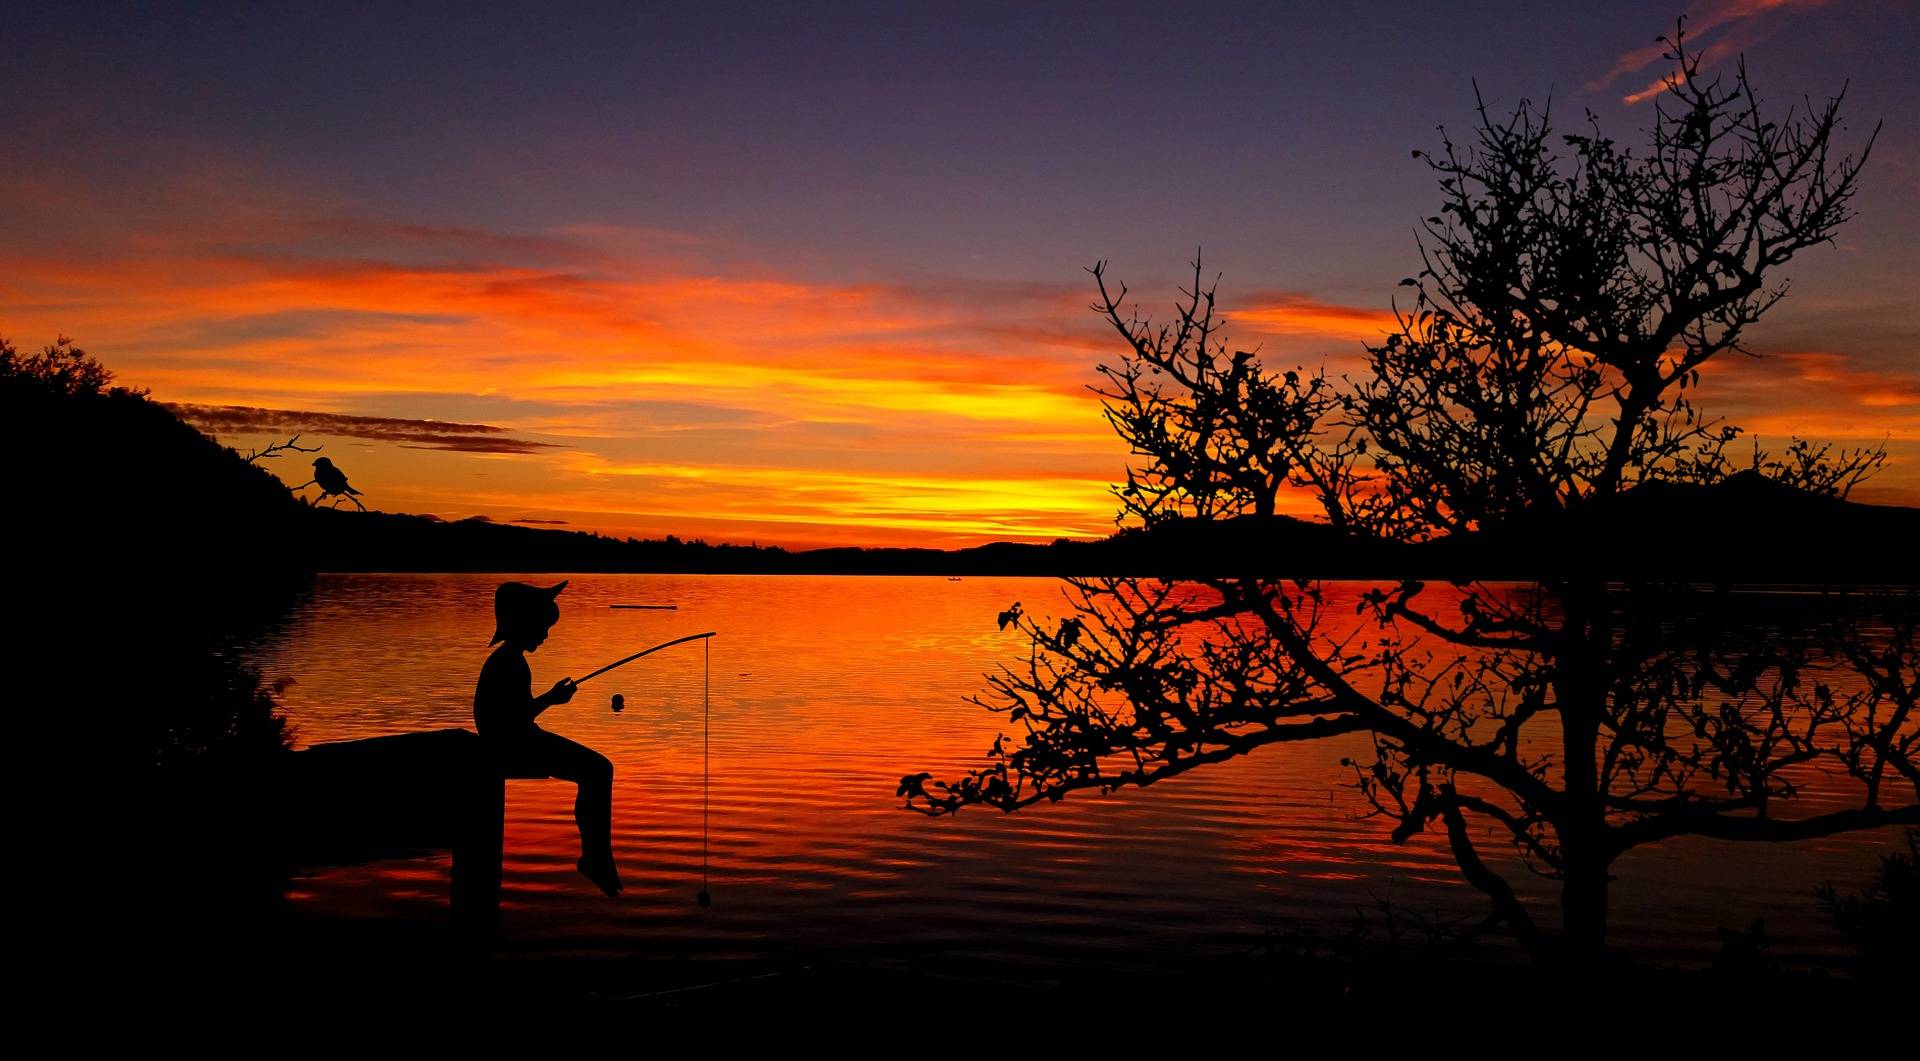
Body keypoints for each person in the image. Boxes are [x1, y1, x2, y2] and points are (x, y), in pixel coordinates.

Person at [474, 580, 622, 897]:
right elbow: (513, 718)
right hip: (513, 745)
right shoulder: (508, 663)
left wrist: (548, 699)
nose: (545, 634)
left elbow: (515, 713)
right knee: (598, 770)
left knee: (596, 770)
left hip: (517, 739)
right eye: (542, 626)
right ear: (524, 622)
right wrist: (551, 699)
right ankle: (595, 857)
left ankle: (596, 856)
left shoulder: (510, 660)